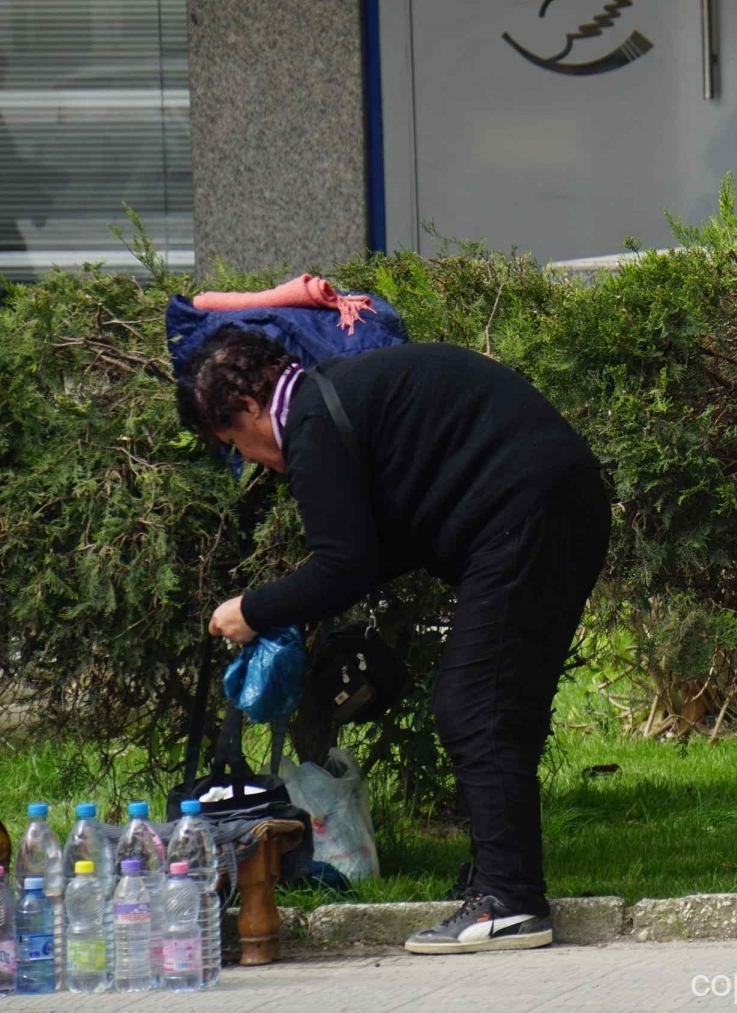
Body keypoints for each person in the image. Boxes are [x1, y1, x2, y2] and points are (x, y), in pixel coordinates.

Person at [178, 327, 610, 954]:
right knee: (492, 705)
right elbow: (371, 549)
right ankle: (501, 881)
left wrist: (252, 609)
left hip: (529, 511)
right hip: (549, 503)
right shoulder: (326, 399)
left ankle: (510, 900)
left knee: (476, 705)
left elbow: (343, 565)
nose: (248, 460)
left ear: (247, 406)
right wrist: (294, 610)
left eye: (234, 443)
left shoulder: (311, 426)